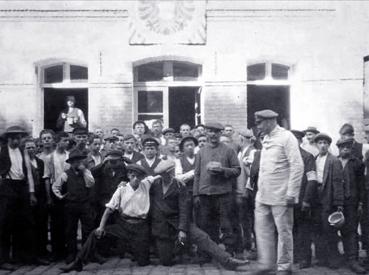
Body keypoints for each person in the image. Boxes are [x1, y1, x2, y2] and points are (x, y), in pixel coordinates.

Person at [151, 160, 248, 270]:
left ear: (171, 172)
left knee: (202, 237)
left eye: (168, 173)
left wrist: (182, 229)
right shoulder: (154, 185)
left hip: (178, 221)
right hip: (162, 226)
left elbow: (184, 210)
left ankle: (227, 260)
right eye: (162, 174)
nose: (165, 176)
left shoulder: (179, 186)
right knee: (166, 261)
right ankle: (179, 251)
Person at [60, 164, 159, 272]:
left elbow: (161, 173)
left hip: (141, 227)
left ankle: (130, 250)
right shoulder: (122, 189)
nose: (136, 179)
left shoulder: (146, 183)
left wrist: (126, 161)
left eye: (139, 177)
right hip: (124, 225)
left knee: (143, 262)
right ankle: (78, 262)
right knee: (95, 234)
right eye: (133, 176)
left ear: (142, 177)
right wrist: (101, 228)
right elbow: (109, 209)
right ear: (128, 176)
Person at [253, 110, 304, 275]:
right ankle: (266, 264)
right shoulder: (266, 138)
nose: (258, 126)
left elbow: (297, 166)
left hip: (281, 195)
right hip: (263, 194)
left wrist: (292, 193)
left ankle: (284, 267)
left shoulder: (287, 137)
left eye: (260, 122)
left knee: (283, 232)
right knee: (261, 229)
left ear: (270, 121)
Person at [193, 122, 241, 257]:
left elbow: (237, 170)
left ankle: (230, 252)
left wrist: (223, 170)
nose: (213, 134)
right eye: (210, 131)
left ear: (221, 133)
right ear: (207, 133)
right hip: (205, 194)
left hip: (223, 194)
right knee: (205, 224)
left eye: (216, 132)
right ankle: (207, 253)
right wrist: (196, 194)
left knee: (226, 223)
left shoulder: (228, 150)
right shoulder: (201, 152)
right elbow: (197, 174)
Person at [0, 126, 36, 269]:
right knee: (5, 224)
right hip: (6, 187)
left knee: (21, 223)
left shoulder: (23, 151)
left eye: (18, 138)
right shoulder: (1, 150)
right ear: (8, 138)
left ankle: (18, 256)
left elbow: (28, 173)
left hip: (21, 188)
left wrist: (31, 193)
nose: (16, 141)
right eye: (13, 138)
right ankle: (3, 259)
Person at [52, 149, 95, 264]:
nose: (77, 163)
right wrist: (61, 196)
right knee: (71, 230)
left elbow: (91, 183)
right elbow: (55, 187)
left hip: (85, 204)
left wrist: (85, 170)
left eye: (79, 161)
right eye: (74, 161)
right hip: (71, 205)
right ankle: (72, 253)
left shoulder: (86, 172)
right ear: (70, 163)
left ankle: (87, 254)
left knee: (88, 228)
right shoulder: (65, 174)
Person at [313, 133, 344, 269]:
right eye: (320, 143)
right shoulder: (315, 159)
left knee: (329, 231)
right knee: (318, 229)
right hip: (316, 197)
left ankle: (334, 260)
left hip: (328, 198)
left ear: (329, 145)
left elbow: (338, 183)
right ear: (316, 145)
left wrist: (338, 203)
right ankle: (322, 259)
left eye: (325, 143)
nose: (323, 145)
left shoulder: (334, 161)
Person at [336, 137, 366, 274]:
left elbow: (361, 185)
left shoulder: (357, 163)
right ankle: (344, 257)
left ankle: (353, 259)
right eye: (342, 147)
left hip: (352, 202)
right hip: (337, 202)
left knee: (352, 230)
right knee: (340, 230)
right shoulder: (334, 162)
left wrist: (360, 202)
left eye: (348, 147)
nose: (345, 149)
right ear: (339, 149)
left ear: (351, 149)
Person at [290, 130, 318, 269]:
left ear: (301, 141)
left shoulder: (307, 157)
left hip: (302, 200)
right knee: (291, 230)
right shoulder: (286, 157)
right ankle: (294, 256)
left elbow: (312, 180)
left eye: (296, 139)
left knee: (304, 231)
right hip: (288, 201)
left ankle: (305, 259)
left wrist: (307, 200)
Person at [23, 138, 50, 264]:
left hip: (40, 196)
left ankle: (41, 251)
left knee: (41, 224)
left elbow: (44, 178)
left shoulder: (40, 162)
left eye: (33, 147)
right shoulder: (23, 162)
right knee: (30, 225)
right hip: (27, 196)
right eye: (28, 147)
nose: (31, 149)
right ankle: (31, 255)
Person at [234, 129, 257, 258]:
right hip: (240, 191)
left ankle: (252, 248)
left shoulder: (252, 152)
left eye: (239, 138)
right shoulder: (241, 153)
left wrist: (247, 190)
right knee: (244, 220)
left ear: (242, 139)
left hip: (247, 192)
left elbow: (252, 174)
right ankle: (247, 246)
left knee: (249, 220)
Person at [91, 150, 129, 224]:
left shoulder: (124, 170)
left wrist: (129, 162)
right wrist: (102, 163)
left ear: (121, 161)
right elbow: (92, 173)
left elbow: (137, 173)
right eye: (111, 161)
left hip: (119, 202)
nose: (113, 163)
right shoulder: (102, 168)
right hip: (103, 202)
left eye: (115, 161)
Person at [175, 136, 198, 222]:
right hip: (186, 192)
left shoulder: (199, 158)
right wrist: (194, 172)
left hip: (199, 192)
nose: (190, 147)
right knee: (187, 215)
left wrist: (187, 175)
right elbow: (179, 178)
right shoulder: (179, 160)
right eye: (187, 145)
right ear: (182, 149)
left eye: (191, 145)